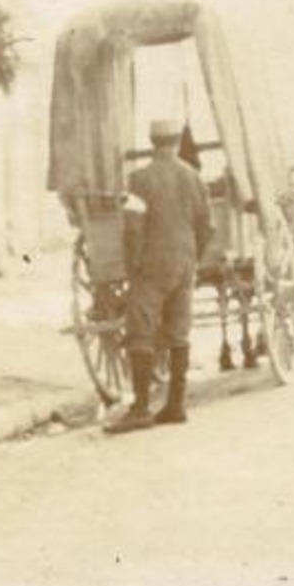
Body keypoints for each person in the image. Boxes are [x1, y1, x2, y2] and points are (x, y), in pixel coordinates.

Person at [106, 118, 213, 434]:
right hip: (185, 262)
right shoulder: (194, 177)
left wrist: (133, 265)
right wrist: (193, 255)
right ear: (178, 140)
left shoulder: (139, 179)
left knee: (140, 330)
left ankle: (140, 408)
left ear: (152, 142)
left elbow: (134, 227)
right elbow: (206, 225)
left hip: (152, 265)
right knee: (179, 332)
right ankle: (176, 405)